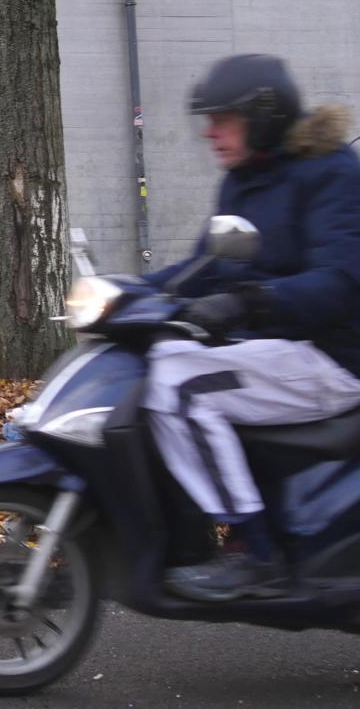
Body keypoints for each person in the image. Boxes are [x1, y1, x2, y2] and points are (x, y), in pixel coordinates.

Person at [143, 53, 360, 602]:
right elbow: (204, 266)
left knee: (179, 386)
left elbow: (340, 280)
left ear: (263, 116)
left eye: (223, 119)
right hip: (277, 347)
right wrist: (132, 291)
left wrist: (248, 303)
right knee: (158, 360)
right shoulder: (243, 182)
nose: (210, 133)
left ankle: (255, 551)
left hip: (333, 357)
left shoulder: (331, 173)